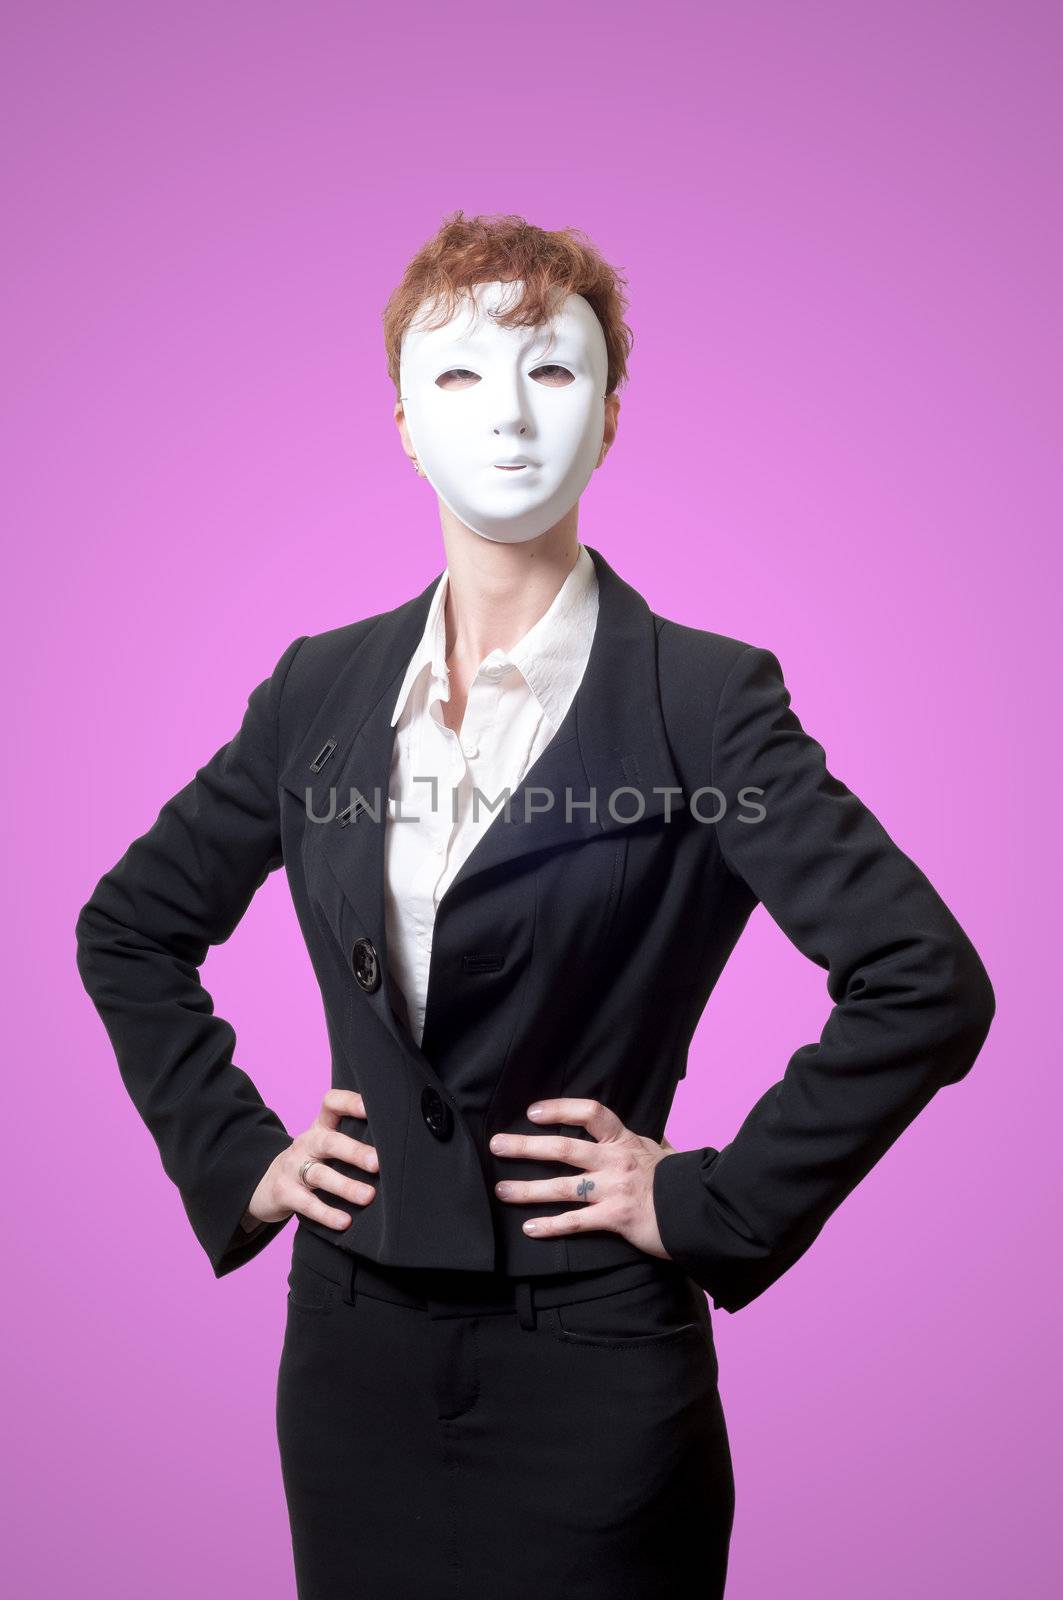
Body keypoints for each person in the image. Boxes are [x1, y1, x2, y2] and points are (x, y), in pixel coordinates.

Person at [74, 210, 996, 1600]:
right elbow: (129, 925)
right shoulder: (318, 689)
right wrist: (237, 1153)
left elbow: (924, 979)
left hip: (595, 1362)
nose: (504, 412)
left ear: (614, 417)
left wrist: (714, 1202)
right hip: (350, 1354)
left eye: (551, 371)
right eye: (456, 374)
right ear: (398, 421)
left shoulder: (704, 699)